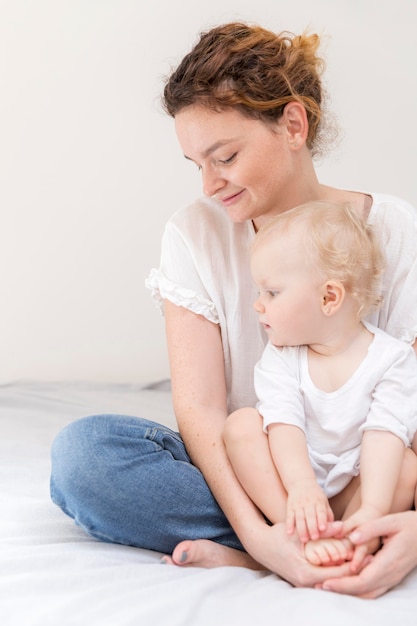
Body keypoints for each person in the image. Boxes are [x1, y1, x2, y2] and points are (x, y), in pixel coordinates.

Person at [49, 22, 417, 597]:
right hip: (255, 471)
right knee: (86, 458)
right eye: (196, 163)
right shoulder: (195, 233)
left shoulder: (394, 231)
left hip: (372, 470)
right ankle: (296, 545)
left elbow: (404, 415)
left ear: (293, 125)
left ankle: (341, 532)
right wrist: (262, 536)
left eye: (224, 156)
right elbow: (201, 411)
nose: (209, 184)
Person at [223, 201, 417, 572]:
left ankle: (357, 536)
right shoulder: (281, 357)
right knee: (241, 425)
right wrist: (300, 488)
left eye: (272, 293)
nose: (257, 306)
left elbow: (385, 433)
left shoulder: (391, 359)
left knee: (406, 464)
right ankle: (296, 532)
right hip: (289, 481)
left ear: (329, 297)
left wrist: (373, 507)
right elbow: (284, 424)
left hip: (354, 486)